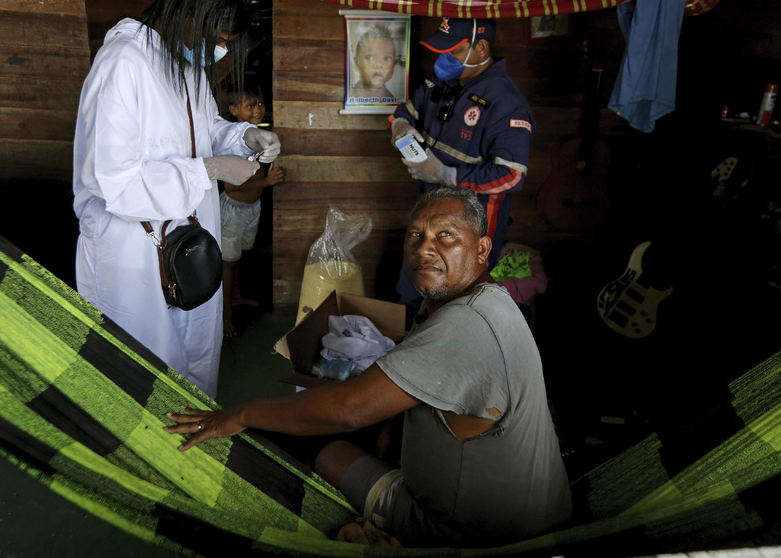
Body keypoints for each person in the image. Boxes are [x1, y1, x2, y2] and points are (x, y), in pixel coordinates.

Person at [166, 186, 572, 548]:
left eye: (445, 235)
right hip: (533, 515)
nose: (425, 248)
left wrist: (240, 413)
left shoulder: (466, 325)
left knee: (305, 440)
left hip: (473, 536)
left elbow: (348, 411)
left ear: (482, 249)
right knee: (347, 421)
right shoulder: (484, 301)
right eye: (416, 236)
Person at [72, 0, 281, 399]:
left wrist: (244, 135)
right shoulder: (123, 63)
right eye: (219, 40)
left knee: (192, 364)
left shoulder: (185, 67)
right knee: (141, 370)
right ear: (189, 17)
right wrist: (211, 169)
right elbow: (113, 181)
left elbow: (203, 132)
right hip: (133, 258)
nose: (220, 51)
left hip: (186, 241)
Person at [390, 17, 535, 317]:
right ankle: (406, 349)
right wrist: (401, 126)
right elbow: (407, 110)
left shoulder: (506, 103)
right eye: (440, 50)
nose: (444, 58)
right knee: (414, 280)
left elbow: (511, 174)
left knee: (459, 293)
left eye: (453, 51)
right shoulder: (441, 81)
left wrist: (447, 175)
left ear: (481, 48)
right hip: (429, 207)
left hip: (472, 217)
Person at [217, 84, 287, 337]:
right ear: (234, 110)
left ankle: (235, 296)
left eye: (260, 104)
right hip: (233, 210)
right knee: (228, 263)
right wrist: (267, 182)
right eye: (250, 105)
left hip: (251, 207)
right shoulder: (232, 142)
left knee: (239, 257)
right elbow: (229, 185)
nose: (258, 110)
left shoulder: (257, 136)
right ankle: (225, 318)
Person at [349, 23, 401, 103]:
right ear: (356, 63)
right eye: (369, 57)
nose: (378, 65)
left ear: (394, 65)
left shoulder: (392, 100)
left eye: (386, 58)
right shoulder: (351, 98)